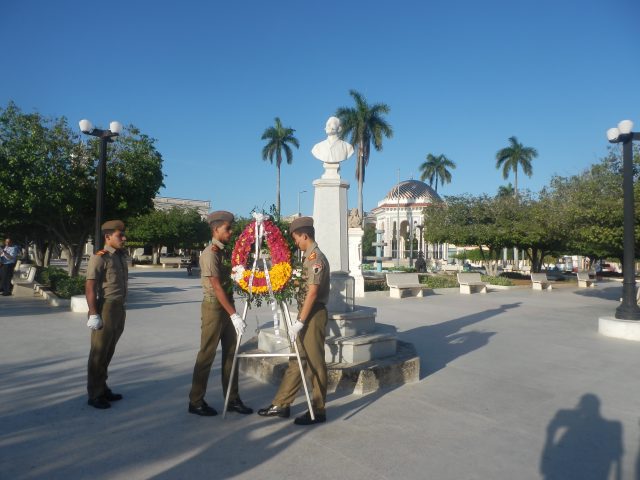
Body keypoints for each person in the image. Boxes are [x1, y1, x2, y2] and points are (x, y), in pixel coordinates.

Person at [258, 216, 330, 425]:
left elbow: (313, 293)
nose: (295, 242)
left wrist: (300, 321)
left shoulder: (316, 258)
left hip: (313, 315)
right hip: (306, 314)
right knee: (296, 361)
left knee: (315, 363)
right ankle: (281, 404)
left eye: (296, 238)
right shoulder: (307, 257)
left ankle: (318, 409)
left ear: (304, 235)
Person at [188, 211, 253, 417]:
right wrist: (234, 315)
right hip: (214, 308)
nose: (231, 232)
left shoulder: (224, 252)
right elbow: (216, 287)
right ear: (216, 230)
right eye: (228, 228)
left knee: (231, 354)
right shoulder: (210, 253)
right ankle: (196, 400)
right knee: (206, 354)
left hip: (226, 306)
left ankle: (232, 398)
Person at [85, 220, 129, 409]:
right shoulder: (99, 257)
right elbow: (90, 286)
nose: (124, 238)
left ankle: (102, 387)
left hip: (119, 307)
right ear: (107, 237)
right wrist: (94, 313)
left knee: (108, 351)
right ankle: (94, 394)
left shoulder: (119, 256)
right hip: (106, 308)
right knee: (98, 353)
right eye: (120, 235)